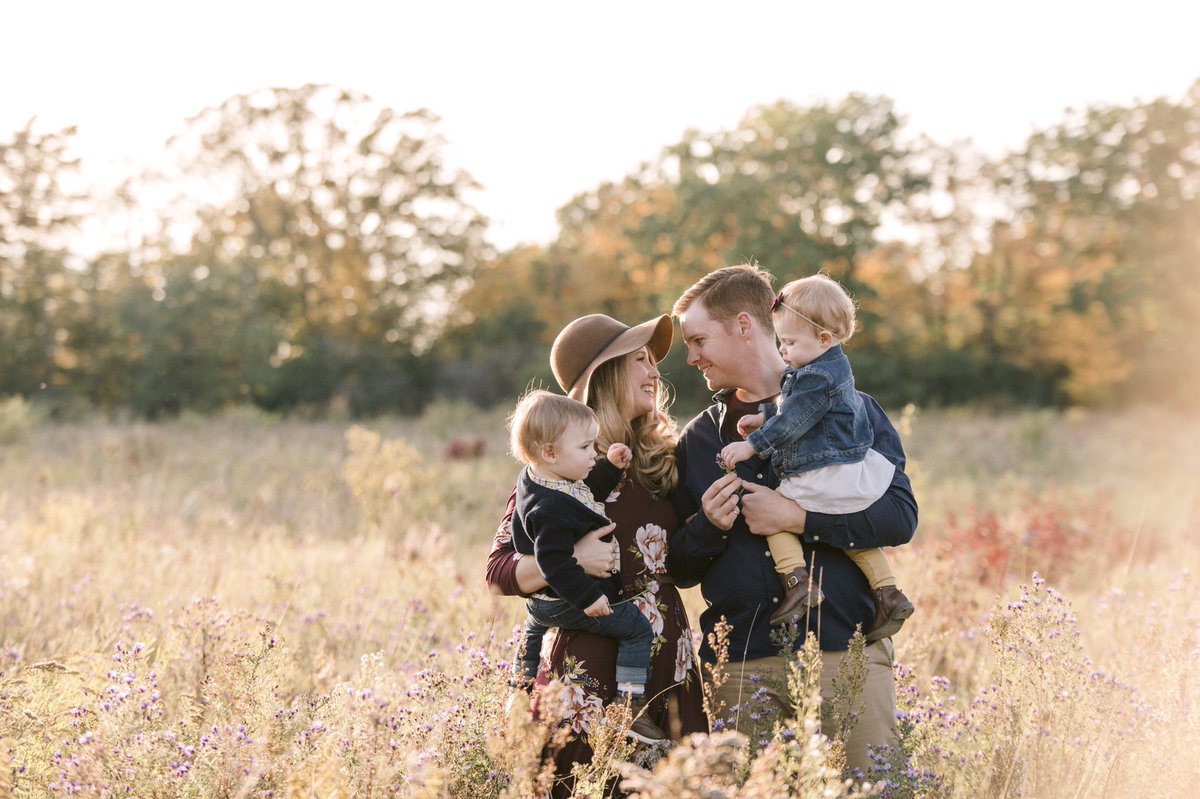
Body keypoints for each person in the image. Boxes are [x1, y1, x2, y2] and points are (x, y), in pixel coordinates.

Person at [667, 263, 918, 775]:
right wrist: (708, 527)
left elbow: (899, 518)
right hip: (740, 663)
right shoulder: (697, 440)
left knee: (873, 787)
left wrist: (800, 517)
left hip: (844, 650)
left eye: (697, 340)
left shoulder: (854, 411)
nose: (690, 357)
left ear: (742, 326)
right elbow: (679, 566)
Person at [485, 313, 707, 796]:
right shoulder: (561, 465)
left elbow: (684, 565)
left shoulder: (659, 458)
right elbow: (498, 570)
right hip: (586, 666)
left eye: (654, 362)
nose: (655, 373)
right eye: (640, 361)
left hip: (666, 655)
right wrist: (570, 559)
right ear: (604, 373)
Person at [717, 273, 915, 640]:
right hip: (844, 471)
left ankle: (796, 580)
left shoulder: (816, 377)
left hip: (823, 470)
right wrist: (764, 414)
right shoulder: (821, 371)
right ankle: (888, 591)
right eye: (781, 341)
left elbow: (796, 417)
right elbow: (801, 409)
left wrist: (753, 443)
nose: (783, 350)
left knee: (772, 514)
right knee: (852, 535)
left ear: (825, 338)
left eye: (790, 342)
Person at [506, 389, 664, 743]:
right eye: (585, 449)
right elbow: (553, 561)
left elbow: (584, 494)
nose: (593, 454)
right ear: (550, 451)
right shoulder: (549, 510)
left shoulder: (540, 479)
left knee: (532, 628)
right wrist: (589, 597)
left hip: (541, 604)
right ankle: (630, 707)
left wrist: (610, 465)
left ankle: (519, 688)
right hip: (570, 600)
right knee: (637, 630)